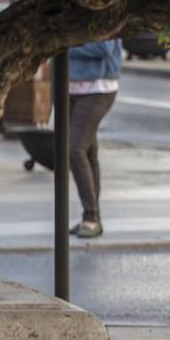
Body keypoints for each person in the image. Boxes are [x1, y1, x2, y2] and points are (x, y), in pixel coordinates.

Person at [67, 39, 122, 238]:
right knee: (88, 151)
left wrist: (64, 45)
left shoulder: (102, 10)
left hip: (98, 89)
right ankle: (91, 217)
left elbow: (102, 48)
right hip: (71, 87)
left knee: (75, 150)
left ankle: (91, 218)